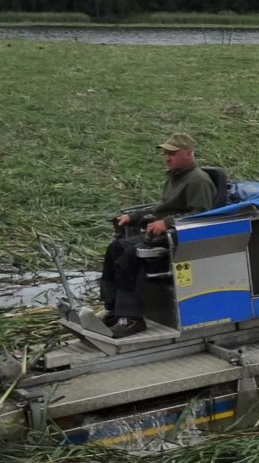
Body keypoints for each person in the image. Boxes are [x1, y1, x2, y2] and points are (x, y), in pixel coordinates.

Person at [98, 133, 229, 335]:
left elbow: (200, 215)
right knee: (114, 248)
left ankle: (132, 318)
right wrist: (132, 217)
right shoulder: (175, 177)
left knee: (130, 255)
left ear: (188, 154)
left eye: (173, 153)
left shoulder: (198, 181)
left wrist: (165, 223)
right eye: (166, 153)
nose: (167, 158)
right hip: (163, 232)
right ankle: (114, 309)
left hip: (178, 238)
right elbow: (161, 208)